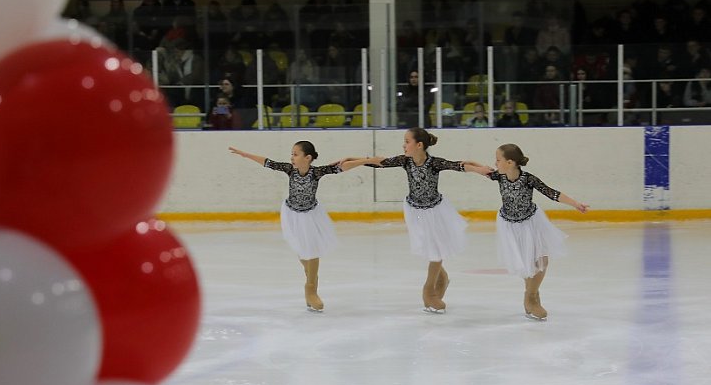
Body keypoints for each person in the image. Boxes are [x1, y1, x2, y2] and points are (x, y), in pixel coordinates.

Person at [340, 128, 486, 314]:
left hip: (436, 211)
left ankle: (429, 291)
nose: (404, 144)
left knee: (435, 248)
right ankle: (442, 279)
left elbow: (459, 166)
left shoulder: (434, 163)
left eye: (407, 141)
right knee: (428, 247)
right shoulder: (405, 161)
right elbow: (381, 162)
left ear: (419, 145)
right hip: (415, 210)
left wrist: (480, 169)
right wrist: (358, 160)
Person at [228, 142, 365, 312]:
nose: (292, 157)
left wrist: (364, 161)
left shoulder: (316, 172)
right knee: (302, 251)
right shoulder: (289, 170)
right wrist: (246, 154)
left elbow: (341, 168)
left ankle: (311, 289)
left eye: (295, 154)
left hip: (311, 215)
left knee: (312, 250)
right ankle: (311, 279)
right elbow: (268, 162)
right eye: (291, 154)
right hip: (291, 214)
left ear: (307, 158)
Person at [472, 143, 588, 320]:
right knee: (526, 262)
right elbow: (479, 169)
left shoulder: (528, 179)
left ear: (510, 162)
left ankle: (531, 296)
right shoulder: (498, 176)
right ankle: (533, 299)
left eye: (498, 160)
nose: (495, 163)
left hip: (531, 221)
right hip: (509, 224)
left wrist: (576, 204)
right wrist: (469, 164)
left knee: (542, 259)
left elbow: (551, 193)